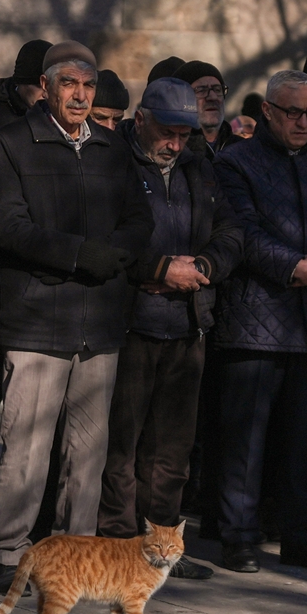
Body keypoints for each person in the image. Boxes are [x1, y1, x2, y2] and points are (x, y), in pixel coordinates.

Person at [0, 40, 153, 593]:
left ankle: (73, 554)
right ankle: (8, 552)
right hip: (37, 317)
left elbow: (139, 218)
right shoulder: (14, 142)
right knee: (25, 448)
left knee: (87, 451)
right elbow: (9, 226)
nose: (81, 95)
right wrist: (81, 254)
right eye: (69, 84)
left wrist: (114, 256)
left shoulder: (110, 148)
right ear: (47, 87)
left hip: (99, 321)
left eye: (88, 85)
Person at [211, 70, 307, 573]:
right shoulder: (236, 162)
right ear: (268, 112)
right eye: (292, 112)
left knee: (305, 441)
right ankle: (239, 535)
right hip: (256, 317)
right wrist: (296, 268)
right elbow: (242, 231)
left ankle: (301, 535)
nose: (303, 122)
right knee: (246, 440)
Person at [97, 78, 242, 579]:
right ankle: (119, 543)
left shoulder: (200, 171)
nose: (175, 144)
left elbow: (231, 233)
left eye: (185, 134)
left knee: (172, 448)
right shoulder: (113, 163)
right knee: (122, 444)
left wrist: (202, 266)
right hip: (130, 322)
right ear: (140, 122)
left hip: (186, 324)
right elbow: (104, 237)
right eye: (167, 132)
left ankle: (161, 543)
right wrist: (157, 269)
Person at [0, 39, 50, 133]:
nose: (46, 94)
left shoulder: (59, 116)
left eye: (51, 87)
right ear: (21, 83)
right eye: (39, 86)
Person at [173, 60, 238, 159]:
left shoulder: (243, 150)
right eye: (201, 90)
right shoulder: (172, 151)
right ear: (182, 99)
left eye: (217, 89)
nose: (213, 97)